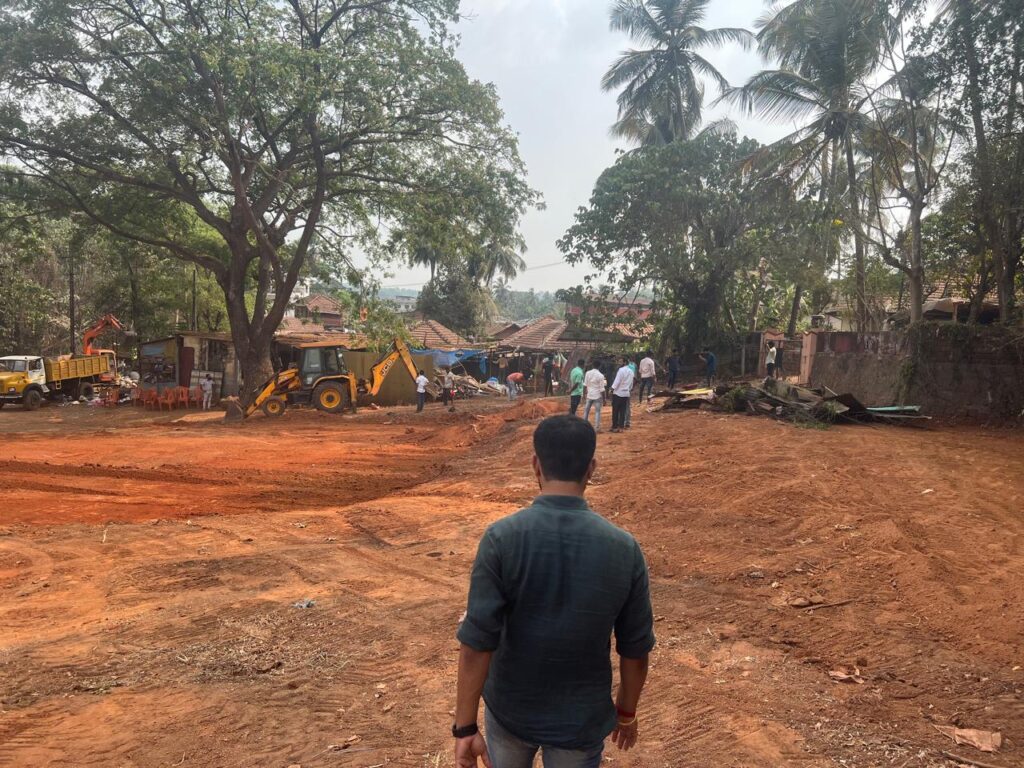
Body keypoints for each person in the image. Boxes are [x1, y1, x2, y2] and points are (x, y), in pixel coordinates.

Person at [453, 415, 655, 768]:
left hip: (510, 711)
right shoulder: (624, 548)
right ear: (591, 468)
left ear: (536, 464)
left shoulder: (501, 539)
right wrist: (626, 712)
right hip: (580, 721)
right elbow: (635, 651)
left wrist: (465, 727)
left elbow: (476, 643)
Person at [610, 357, 634, 434]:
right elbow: (631, 383)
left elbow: (617, 381)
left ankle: (614, 427)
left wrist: (612, 389)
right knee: (623, 410)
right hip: (626, 393)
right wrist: (628, 389)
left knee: (615, 410)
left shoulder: (621, 370)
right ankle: (621, 427)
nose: (619, 363)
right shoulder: (631, 371)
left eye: (620, 361)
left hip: (618, 393)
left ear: (624, 362)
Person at [583, 360, 607, 432]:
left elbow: (585, 385)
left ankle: (583, 426)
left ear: (592, 365)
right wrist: (604, 399)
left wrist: (584, 395)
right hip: (597, 396)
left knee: (586, 411)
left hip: (589, 395)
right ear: (599, 366)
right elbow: (602, 389)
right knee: (597, 412)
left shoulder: (587, 373)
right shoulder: (601, 375)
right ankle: (597, 428)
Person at [625, 358, 638, 428]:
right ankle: (627, 422)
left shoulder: (622, 370)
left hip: (623, 390)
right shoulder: (631, 366)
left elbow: (635, 372)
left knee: (625, 406)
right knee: (627, 405)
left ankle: (625, 422)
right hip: (627, 388)